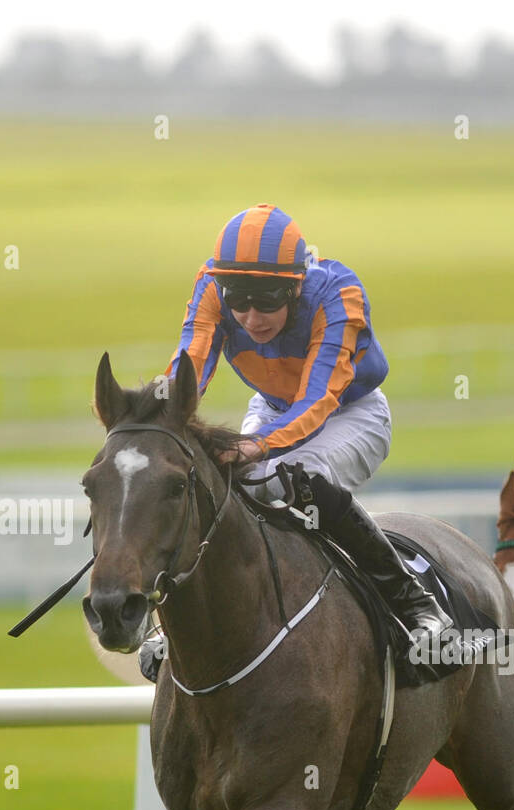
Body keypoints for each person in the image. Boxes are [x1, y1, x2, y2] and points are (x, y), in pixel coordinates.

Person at [140, 202, 450, 680]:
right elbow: (191, 363)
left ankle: (414, 601)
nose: (250, 315)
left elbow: (317, 400)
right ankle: (177, 622)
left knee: (293, 479)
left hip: (351, 413)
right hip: (272, 407)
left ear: (296, 284)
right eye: (238, 298)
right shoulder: (211, 287)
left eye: (267, 298)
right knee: (228, 491)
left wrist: (255, 447)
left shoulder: (337, 294)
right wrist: (158, 417)